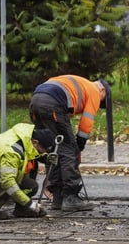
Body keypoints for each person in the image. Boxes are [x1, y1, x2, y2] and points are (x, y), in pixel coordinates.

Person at [29, 75, 109, 211]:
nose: (100, 103)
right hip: (51, 104)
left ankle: (57, 198)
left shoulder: (79, 83)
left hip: (35, 102)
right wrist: (79, 144)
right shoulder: (95, 90)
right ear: (102, 90)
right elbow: (86, 122)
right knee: (68, 151)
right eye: (102, 101)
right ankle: (71, 197)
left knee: (54, 149)